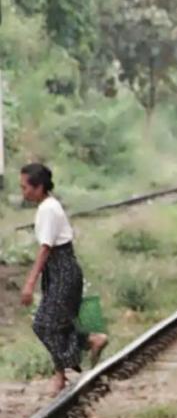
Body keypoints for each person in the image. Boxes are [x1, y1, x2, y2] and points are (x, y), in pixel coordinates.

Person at [20, 163, 109, 395]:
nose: (23, 192)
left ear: (39, 187)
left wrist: (30, 283)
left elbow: (46, 248)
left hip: (63, 270)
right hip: (59, 270)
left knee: (44, 324)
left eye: (25, 187)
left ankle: (80, 352)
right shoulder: (46, 206)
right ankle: (72, 361)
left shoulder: (48, 209)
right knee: (56, 324)